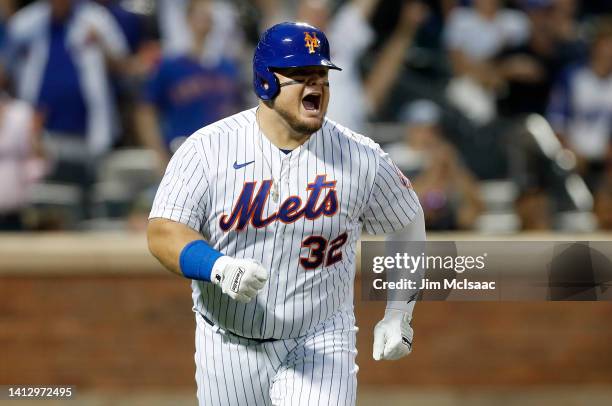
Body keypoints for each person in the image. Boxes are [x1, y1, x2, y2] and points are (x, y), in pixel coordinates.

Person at [147, 22, 425, 405]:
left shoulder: (360, 156)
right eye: (299, 75)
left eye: (322, 75)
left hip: (321, 340)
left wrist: (399, 312)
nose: (316, 86)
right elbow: (163, 230)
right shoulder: (208, 149)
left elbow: (408, 224)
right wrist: (217, 266)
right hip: (228, 342)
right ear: (265, 82)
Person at [136, 0, 243, 172]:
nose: (204, 21)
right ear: (188, 19)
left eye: (208, 16)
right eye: (200, 15)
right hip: (181, 154)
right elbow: (145, 112)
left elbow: (236, 112)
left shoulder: (226, 67)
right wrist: (159, 155)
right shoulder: (170, 66)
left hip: (221, 158)